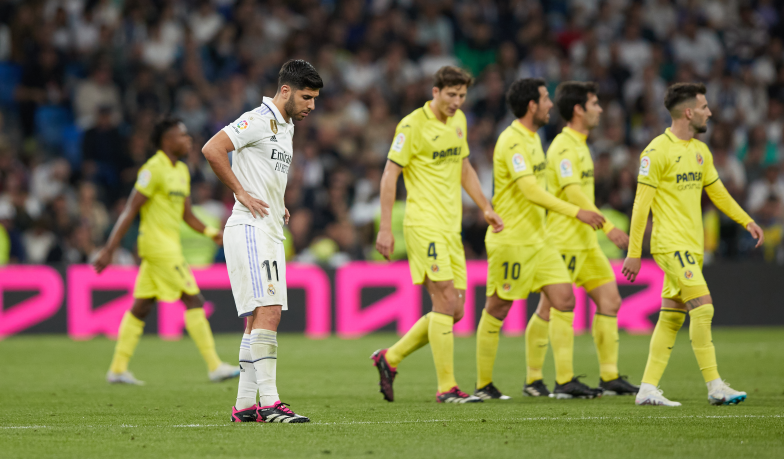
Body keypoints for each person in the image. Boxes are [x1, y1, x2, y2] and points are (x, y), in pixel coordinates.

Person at [622, 83, 764, 407]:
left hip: (692, 247)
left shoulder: (701, 152)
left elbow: (718, 193)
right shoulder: (655, 152)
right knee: (704, 306)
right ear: (688, 112)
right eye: (704, 107)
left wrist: (746, 220)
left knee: (671, 316)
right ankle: (715, 386)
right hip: (670, 245)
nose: (709, 112)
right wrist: (633, 253)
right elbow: (640, 205)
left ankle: (646, 388)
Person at [371, 66, 504, 404]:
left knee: (455, 310)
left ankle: (390, 358)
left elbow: (465, 167)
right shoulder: (411, 125)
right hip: (423, 225)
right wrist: (385, 228)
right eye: (451, 95)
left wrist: (485, 207)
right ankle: (447, 388)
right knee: (444, 301)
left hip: (450, 227)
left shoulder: (458, 122)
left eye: (461, 95)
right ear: (435, 91)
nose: (457, 102)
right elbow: (389, 176)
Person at [202, 59, 323, 423]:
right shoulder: (258, 118)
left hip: (268, 228)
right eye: (306, 97)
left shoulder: (285, 127)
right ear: (285, 90)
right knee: (269, 311)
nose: (311, 106)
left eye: (314, 99)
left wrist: (279, 202)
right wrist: (240, 191)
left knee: (256, 318)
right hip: (250, 229)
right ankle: (270, 403)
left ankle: (243, 406)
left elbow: (264, 172)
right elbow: (212, 148)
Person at [474, 78, 605, 401]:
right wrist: (577, 212)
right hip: (513, 240)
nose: (550, 105)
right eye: (545, 99)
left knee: (565, 299)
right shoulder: (513, 141)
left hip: (540, 240)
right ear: (532, 105)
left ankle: (563, 381)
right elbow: (530, 191)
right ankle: (483, 384)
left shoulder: (535, 139)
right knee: (498, 308)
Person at [94, 117, 238, 386]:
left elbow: (187, 215)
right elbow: (130, 209)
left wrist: (212, 234)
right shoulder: (153, 169)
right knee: (193, 300)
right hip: (159, 247)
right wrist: (109, 249)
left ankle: (117, 368)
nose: (188, 140)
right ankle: (215, 365)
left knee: (141, 306)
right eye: (182, 136)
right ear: (167, 140)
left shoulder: (182, 171)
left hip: (167, 247)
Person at [539, 81, 639, 396]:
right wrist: (609, 226)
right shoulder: (564, 146)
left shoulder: (582, 145)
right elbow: (573, 192)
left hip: (585, 243)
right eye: (595, 103)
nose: (600, 109)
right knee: (558, 306)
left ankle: (609, 378)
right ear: (578, 109)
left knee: (610, 301)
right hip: (564, 240)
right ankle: (562, 380)